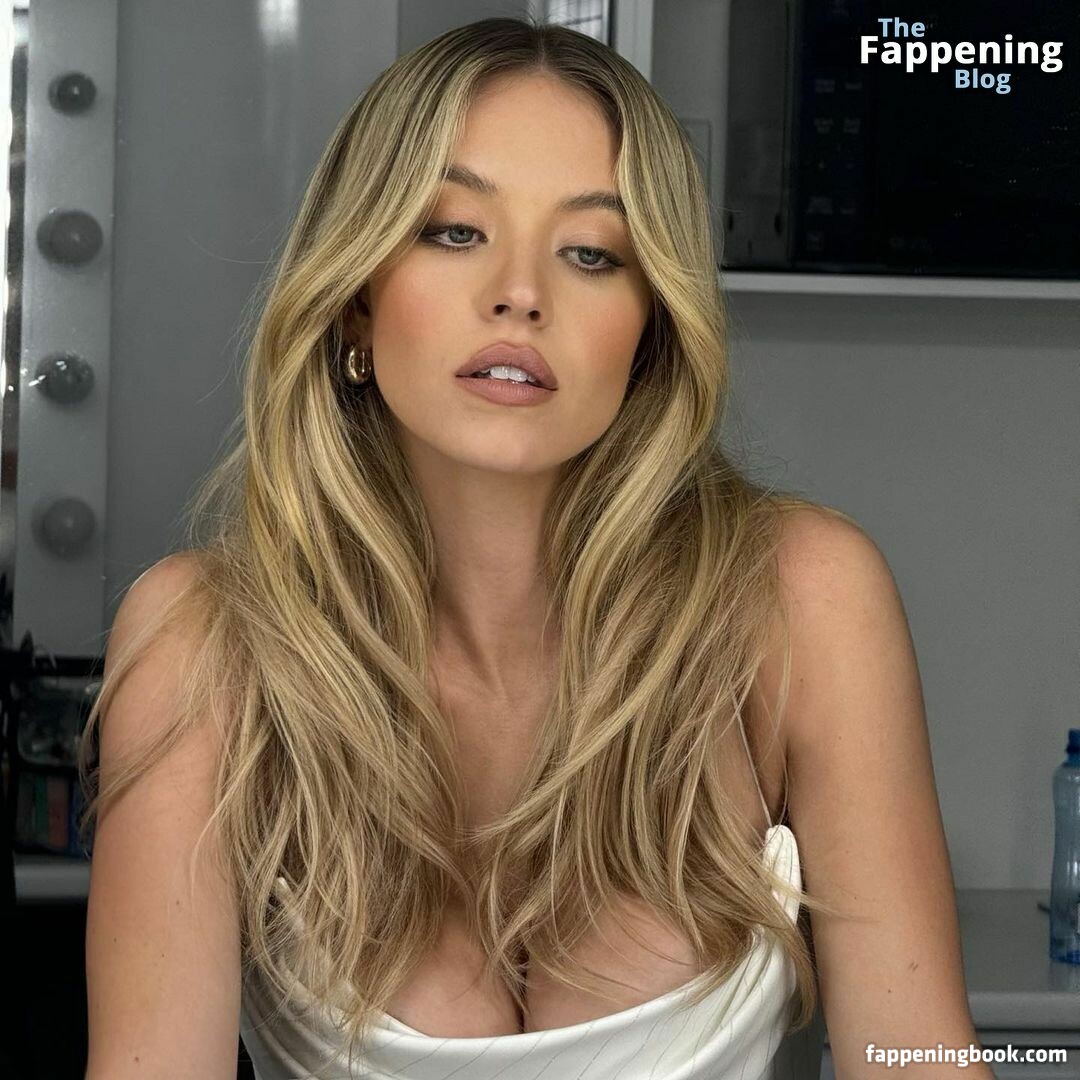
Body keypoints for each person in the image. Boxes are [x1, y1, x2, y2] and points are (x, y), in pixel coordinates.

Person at [79, 16, 991, 1080]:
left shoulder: (802, 600)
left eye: (591, 253)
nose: (520, 291)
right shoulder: (205, 643)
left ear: (650, 332)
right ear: (356, 304)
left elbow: (921, 1057)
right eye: (454, 231)